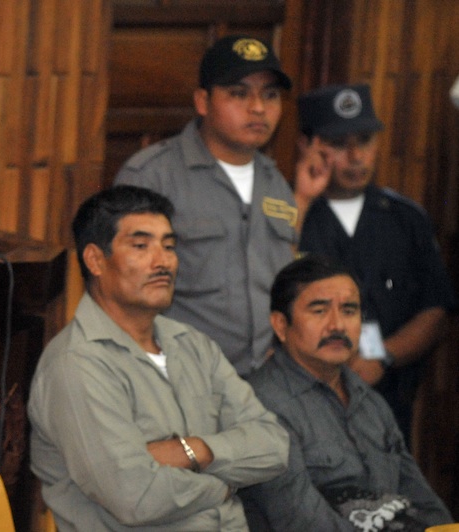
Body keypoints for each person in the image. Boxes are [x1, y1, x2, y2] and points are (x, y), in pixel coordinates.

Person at [28, 186, 289, 531]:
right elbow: (136, 496)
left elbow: (274, 445)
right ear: (95, 260)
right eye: (141, 245)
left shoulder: (193, 345)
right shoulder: (77, 363)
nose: (163, 261)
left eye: (168, 246)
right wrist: (226, 484)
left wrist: (193, 450)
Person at [114, 35, 315, 376]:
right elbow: (120, 295)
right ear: (203, 101)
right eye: (239, 94)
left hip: (263, 383)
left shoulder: (275, 182)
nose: (257, 108)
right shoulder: (152, 177)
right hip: (180, 380)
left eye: (270, 95)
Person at [239, 255, 452, 531]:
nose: (337, 325)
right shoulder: (259, 405)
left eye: (349, 310)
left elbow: (421, 498)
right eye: (319, 310)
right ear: (281, 325)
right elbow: (301, 521)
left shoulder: (370, 402)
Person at [296, 83, 456, 445]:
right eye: (339, 144)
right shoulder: (293, 214)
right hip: (307, 402)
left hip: (388, 400)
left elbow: (435, 310)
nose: (356, 156)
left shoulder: (405, 218)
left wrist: (381, 358)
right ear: (308, 145)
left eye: (365, 140)